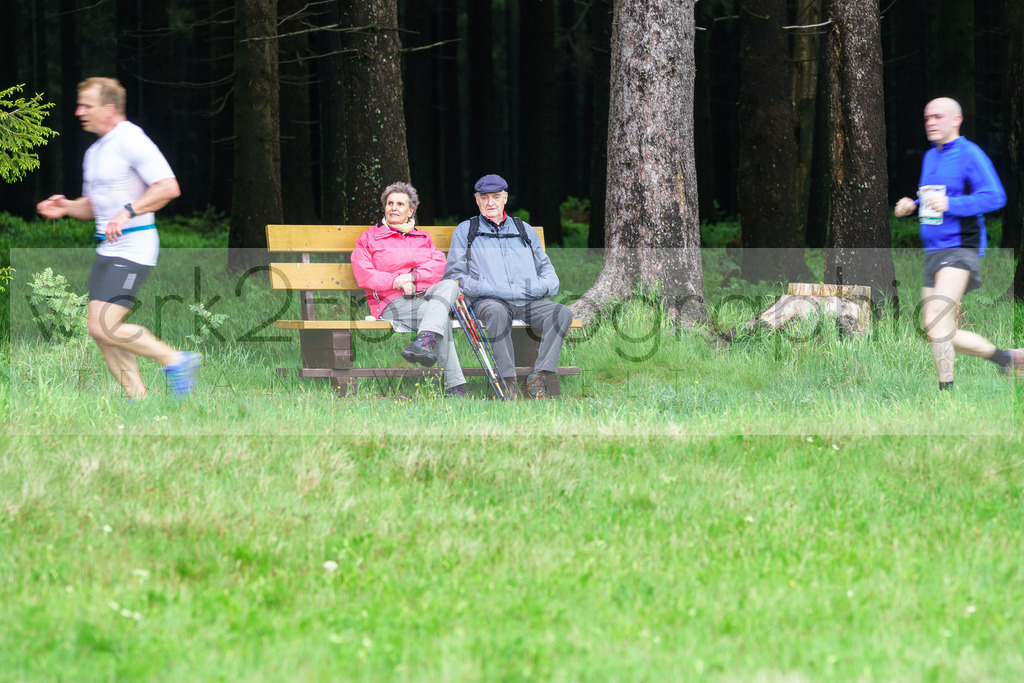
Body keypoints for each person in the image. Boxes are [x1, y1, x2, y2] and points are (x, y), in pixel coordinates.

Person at [36, 77, 199, 400]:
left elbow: (168, 187)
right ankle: (137, 398)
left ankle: (176, 359)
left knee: (103, 326)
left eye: (87, 105)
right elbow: (95, 206)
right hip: (108, 248)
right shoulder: (95, 151)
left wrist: (128, 211)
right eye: (80, 104)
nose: (79, 111)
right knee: (101, 332)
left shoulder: (131, 139)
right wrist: (67, 207)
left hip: (135, 246)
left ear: (109, 109)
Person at [894, 97, 1021, 389]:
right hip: (934, 252)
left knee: (937, 321)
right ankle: (1006, 360)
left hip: (961, 248)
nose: (931, 123)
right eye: (927, 118)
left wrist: (950, 203)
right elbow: (933, 197)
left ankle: (946, 395)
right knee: (935, 328)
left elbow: (995, 196)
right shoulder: (930, 156)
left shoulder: (970, 154)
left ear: (956, 120)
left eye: (938, 117)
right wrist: (912, 205)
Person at [444, 174, 573, 399]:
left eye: (495, 197)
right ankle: (508, 380)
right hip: (489, 301)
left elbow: (548, 273)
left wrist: (539, 288)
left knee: (561, 313)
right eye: (484, 197)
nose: (490, 203)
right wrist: (492, 288)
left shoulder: (524, 230)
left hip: (528, 299)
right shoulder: (466, 230)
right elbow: (456, 275)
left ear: (505, 198)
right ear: (477, 200)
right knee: (496, 313)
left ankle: (539, 376)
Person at [351, 181, 467, 396]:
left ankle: (423, 340)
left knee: (450, 284)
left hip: (425, 294)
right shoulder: (369, 238)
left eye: (400, 204)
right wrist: (397, 280)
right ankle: (455, 387)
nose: (393, 208)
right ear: (384, 207)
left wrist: (413, 277)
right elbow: (364, 273)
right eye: (390, 203)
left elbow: (438, 265)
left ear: (410, 210)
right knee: (439, 316)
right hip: (392, 301)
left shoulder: (422, 237)